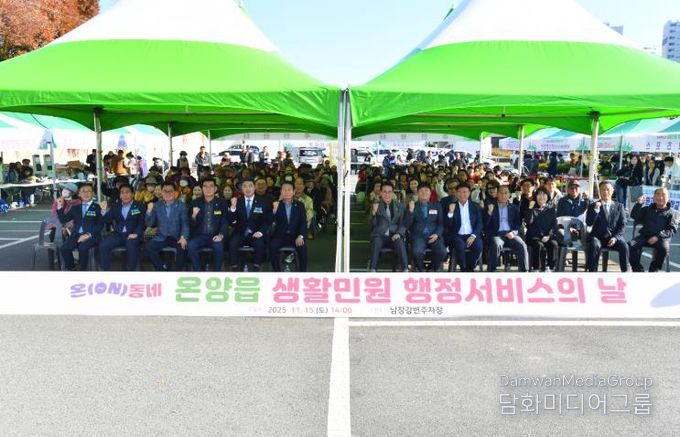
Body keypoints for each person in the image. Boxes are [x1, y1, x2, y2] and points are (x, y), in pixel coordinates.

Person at [629, 188, 679, 272]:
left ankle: (653, 269)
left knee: (664, 249)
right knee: (630, 245)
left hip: (661, 239)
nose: (660, 197)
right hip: (644, 237)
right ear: (654, 197)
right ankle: (638, 270)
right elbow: (634, 216)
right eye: (658, 194)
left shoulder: (673, 213)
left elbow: (671, 229)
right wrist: (639, 204)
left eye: (663, 195)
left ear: (668, 197)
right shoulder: (647, 209)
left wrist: (657, 237)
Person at [228, 178, 272, 271]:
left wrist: (260, 232)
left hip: (256, 232)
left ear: (254, 187)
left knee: (260, 244)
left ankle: (257, 266)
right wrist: (233, 208)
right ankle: (234, 267)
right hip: (240, 232)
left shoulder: (263, 202)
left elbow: (267, 221)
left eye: (250, 186)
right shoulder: (237, 201)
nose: (247, 188)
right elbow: (230, 220)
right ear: (241, 189)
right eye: (245, 186)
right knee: (232, 243)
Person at [98, 184, 145, 271]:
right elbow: (106, 220)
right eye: (122, 192)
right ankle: (105, 271)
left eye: (127, 192)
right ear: (119, 195)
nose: (124, 195)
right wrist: (103, 210)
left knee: (131, 246)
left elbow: (142, 223)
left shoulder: (139, 205)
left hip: (133, 234)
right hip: (118, 234)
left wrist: (136, 233)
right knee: (103, 245)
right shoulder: (115, 206)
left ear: (132, 194)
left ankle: (131, 271)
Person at [145, 181, 190, 271]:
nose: (168, 193)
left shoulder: (181, 206)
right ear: (161, 192)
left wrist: (183, 237)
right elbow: (149, 224)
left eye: (170, 191)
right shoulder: (157, 205)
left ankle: (177, 273)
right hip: (161, 236)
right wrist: (149, 211)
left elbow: (185, 224)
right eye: (165, 191)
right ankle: (161, 270)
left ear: (175, 192)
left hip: (177, 237)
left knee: (183, 247)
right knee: (149, 247)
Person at [585, 181, 629, 272]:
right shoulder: (592, 206)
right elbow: (589, 223)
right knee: (594, 245)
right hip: (598, 237)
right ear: (599, 191)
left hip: (613, 238)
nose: (605, 192)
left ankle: (625, 271)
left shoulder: (619, 206)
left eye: (608, 189)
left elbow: (623, 224)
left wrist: (615, 238)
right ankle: (592, 272)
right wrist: (596, 210)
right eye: (603, 190)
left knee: (624, 245)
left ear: (612, 191)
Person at [57, 183, 103, 271]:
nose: (86, 193)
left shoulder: (98, 207)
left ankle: (82, 270)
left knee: (83, 248)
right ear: (79, 194)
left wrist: (88, 235)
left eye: (89, 191)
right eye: (83, 191)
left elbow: (100, 225)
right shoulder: (75, 207)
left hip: (92, 235)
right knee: (64, 248)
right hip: (76, 235)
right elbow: (63, 220)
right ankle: (72, 268)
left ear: (93, 194)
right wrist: (59, 206)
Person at [483, 186, 528, 272]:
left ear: (509, 195)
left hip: (510, 234)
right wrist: (489, 213)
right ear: (497, 194)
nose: (503, 196)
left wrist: (513, 232)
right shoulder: (490, 206)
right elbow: (485, 224)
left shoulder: (514, 208)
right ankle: (491, 271)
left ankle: (524, 271)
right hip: (496, 234)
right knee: (496, 244)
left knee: (522, 245)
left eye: (506, 193)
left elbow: (518, 224)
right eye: (501, 193)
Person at [187, 178, 229, 271]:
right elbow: (190, 224)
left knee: (219, 247)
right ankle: (198, 272)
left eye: (211, 186)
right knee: (190, 246)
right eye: (205, 186)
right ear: (202, 188)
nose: (208, 189)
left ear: (215, 188)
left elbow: (225, 222)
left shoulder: (222, 202)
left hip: (215, 235)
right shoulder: (195, 203)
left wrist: (221, 235)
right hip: (199, 236)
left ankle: (217, 272)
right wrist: (193, 216)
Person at [368, 182, 408, 272]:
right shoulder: (376, 205)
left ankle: (405, 269)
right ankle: (372, 269)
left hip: (394, 235)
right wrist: (373, 213)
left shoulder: (400, 206)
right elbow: (372, 223)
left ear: (393, 193)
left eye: (389, 192)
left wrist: (399, 233)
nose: (387, 194)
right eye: (384, 192)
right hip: (380, 235)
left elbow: (403, 223)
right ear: (381, 193)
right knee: (376, 241)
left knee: (400, 241)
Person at [406, 182, 446, 271]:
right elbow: (407, 224)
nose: (424, 193)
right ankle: (421, 269)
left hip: (434, 236)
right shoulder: (412, 205)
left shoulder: (437, 206)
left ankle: (432, 268)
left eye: (426, 190)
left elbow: (441, 223)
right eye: (421, 191)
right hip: (418, 237)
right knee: (417, 252)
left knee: (442, 252)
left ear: (430, 193)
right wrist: (411, 210)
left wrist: (437, 234)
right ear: (417, 193)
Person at [270, 181, 308, 271]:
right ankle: (277, 273)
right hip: (280, 236)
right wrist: (274, 210)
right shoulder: (276, 204)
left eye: (289, 190)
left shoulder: (300, 205)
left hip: (295, 236)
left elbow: (303, 223)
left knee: (303, 250)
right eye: (284, 190)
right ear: (281, 192)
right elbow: (269, 221)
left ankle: (302, 274)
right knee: (272, 248)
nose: (286, 192)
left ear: (294, 192)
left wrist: (301, 236)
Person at [445, 183, 483, 272]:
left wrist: (473, 235)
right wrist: (450, 213)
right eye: (460, 192)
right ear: (456, 193)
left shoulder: (475, 206)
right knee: (460, 245)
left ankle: (471, 267)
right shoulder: (451, 206)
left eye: (465, 192)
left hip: (472, 234)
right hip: (456, 235)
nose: (462, 194)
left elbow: (480, 223)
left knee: (478, 246)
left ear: (469, 193)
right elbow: (447, 225)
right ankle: (463, 268)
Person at [524, 188, 558, 271]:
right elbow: (528, 221)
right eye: (539, 194)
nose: (541, 196)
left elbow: (554, 226)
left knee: (553, 244)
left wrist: (548, 236)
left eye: (544, 194)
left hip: (547, 236)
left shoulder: (551, 209)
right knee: (539, 245)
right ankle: (536, 268)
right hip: (534, 236)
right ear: (535, 196)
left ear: (547, 197)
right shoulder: (532, 208)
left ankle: (550, 268)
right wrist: (530, 208)